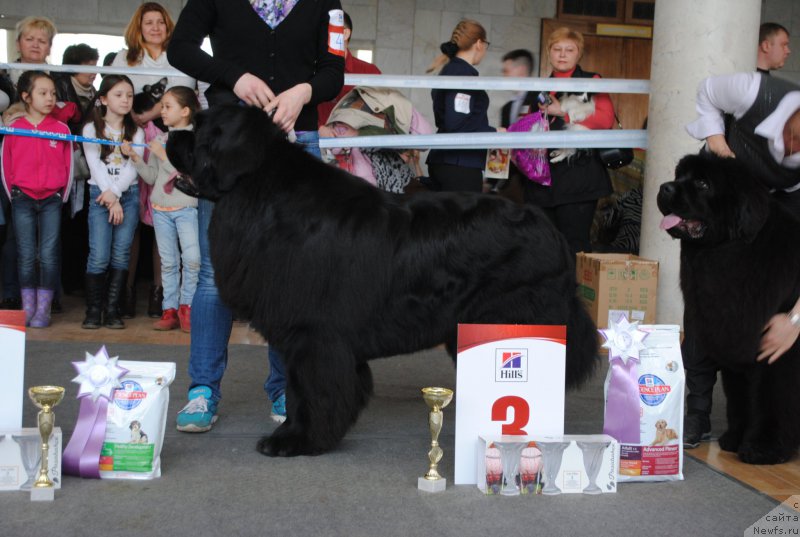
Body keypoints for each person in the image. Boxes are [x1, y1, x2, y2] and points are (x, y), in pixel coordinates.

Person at [167, 0, 345, 431]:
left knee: (291, 272)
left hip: (296, 140)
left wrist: (304, 92)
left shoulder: (327, 3)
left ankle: (286, 388)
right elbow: (180, 48)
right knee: (214, 273)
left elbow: (333, 72)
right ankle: (202, 391)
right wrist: (234, 76)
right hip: (227, 144)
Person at [683, 70, 800, 448]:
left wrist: (795, 320)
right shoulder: (756, 92)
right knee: (705, 298)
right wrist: (722, 152)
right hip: (720, 197)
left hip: (784, 205)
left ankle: (766, 420)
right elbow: (706, 92)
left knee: (771, 301)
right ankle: (697, 410)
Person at [114, 2, 197, 320]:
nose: (155, 27)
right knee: (133, 217)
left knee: (162, 215)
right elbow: (115, 93)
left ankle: (161, 294)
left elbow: (188, 98)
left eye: (160, 21)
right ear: (138, 27)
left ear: (168, 26)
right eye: (148, 22)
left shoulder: (181, 55)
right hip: (134, 136)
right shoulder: (124, 57)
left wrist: (152, 114)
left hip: (170, 138)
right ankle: (125, 291)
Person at [526, 27, 614, 255]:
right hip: (543, 178)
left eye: (569, 49)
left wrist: (563, 112)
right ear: (549, 52)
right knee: (544, 247)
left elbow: (606, 120)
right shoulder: (538, 87)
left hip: (579, 175)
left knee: (574, 245)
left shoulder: (592, 80)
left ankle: (574, 281)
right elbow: (529, 127)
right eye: (557, 49)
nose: (562, 54)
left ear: (579, 53)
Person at [122, 86, 200, 333]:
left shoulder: (197, 139)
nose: (162, 112)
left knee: (192, 260)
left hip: (187, 208)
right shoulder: (160, 140)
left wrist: (164, 155)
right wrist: (135, 158)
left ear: (185, 111)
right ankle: (170, 309)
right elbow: (152, 177)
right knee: (168, 262)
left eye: (167, 107)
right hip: (160, 208)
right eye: (162, 106)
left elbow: (190, 174)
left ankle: (188, 307)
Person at [0, 71, 72, 328]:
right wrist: (14, 194)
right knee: (26, 254)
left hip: (52, 199)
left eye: (52, 93)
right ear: (26, 97)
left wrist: (61, 195)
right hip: (22, 198)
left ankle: (43, 309)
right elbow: (5, 164)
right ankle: (28, 308)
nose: (50, 98)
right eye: (43, 93)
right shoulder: (14, 129)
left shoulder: (61, 129)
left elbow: (68, 165)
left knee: (49, 254)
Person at [0, 16, 59, 313]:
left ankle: (49, 299)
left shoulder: (59, 77)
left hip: (50, 173)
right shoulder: (3, 74)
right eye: (29, 39)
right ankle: (13, 295)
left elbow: (68, 117)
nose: (36, 45)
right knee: (15, 237)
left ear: (49, 47)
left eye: (42, 40)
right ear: (18, 42)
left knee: (50, 243)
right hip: (14, 167)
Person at [81, 75, 144, 330]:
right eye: (118, 95)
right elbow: (95, 166)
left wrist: (116, 193)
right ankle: (93, 310)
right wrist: (111, 197)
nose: (125, 100)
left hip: (127, 195)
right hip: (100, 194)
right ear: (104, 99)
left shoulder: (136, 131)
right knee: (98, 255)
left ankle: (112, 309)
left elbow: (134, 167)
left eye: (129, 95)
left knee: (121, 253)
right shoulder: (91, 129)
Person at [425, 19, 499, 193]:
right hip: (459, 164)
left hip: (448, 161)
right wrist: (494, 133)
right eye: (486, 45)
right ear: (479, 43)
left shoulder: (451, 70)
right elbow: (456, 124)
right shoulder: (462, 74)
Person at [317, 11, 381, 127]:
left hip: (356, 138)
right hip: (315, 136)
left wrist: (353, 133)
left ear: (345, 34)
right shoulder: (311, 69)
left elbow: (381, 115)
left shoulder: (369, 72)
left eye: (328, 31)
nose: (321, 37)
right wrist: (319, 128)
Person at [500, 49, 537, 128]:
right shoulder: (506, 108)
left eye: (506, 71)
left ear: (521, 70)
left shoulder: (539, 101)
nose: (504, 76)